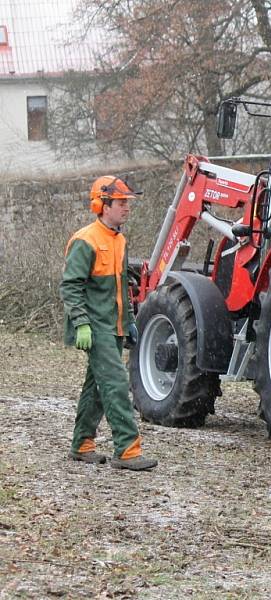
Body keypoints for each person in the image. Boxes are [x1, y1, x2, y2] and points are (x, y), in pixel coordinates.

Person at [60, 176, 157, 471]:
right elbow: (70, 287)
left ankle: (82, 444)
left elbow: (122, 286)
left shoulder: (119, 240)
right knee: (114, 385)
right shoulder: (85, 240)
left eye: (128, 203)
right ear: (101, 205)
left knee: (97, 388)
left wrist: (128, 321)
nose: (127, 208)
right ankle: (127, 450)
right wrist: (82, 324)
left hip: (113, 326)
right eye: (121, 203)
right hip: (95, 327)